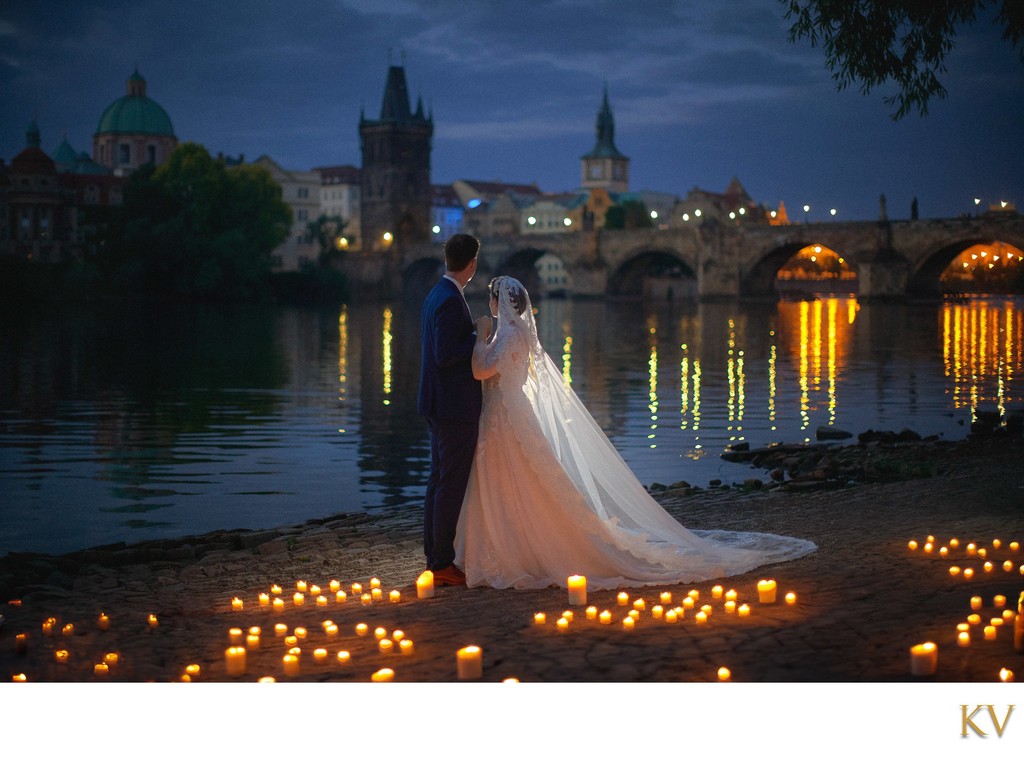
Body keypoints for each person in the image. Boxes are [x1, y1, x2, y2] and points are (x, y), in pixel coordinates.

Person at [454, 276, 816, 590]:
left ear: (499, 303)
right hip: (513, 414)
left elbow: (482, 370)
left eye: (493, 300)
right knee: (527, 478)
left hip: (505, 416)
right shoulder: (521, 335)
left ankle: (515, 548)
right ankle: (519, 541)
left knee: (511, 478)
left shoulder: (502, 336)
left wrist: (480, 336)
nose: (491, 305)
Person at [418, 234, 483, 586]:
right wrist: (478, 337)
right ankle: (441, 562)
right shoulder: (449, 301)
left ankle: (434, 555)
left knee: (438, 480)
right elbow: (446, 354)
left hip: (437, 402)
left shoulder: (435, 294)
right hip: (452, 406)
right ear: (471, 264)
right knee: (449, 484)